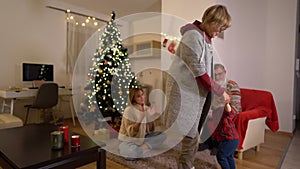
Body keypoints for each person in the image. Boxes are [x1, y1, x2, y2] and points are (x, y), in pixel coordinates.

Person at [165, 4, 232, 169]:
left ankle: (186, 163)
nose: (218, 33)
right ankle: (185, 165)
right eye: (219, 28)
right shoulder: (193, 36)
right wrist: (220, 91)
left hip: (198, 92)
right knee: (191, 133)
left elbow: (206, 69)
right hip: (185, 91)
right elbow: (198, 71)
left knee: (194, 131)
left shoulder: (206, 38)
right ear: (211, 21)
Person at [118, 87, 167, 160]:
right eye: (138, 96)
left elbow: (150, 130)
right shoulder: (129, 110)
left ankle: (142, 148)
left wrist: (151, 117)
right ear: (133, 98)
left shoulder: (145, 107)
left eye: (142, 95)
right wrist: (140, 118)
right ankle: (141, 149)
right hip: (128, 140)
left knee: (162, 135)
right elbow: (131, 133)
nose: (142, 97)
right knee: (130, 155)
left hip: (141, 138)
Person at [209, 63, 241, 169]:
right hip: (224, 132)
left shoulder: (231, 86)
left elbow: (234, 109)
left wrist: (224, 105)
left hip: (229, 132)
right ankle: (209, 144)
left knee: (222, 156)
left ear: (225, 72)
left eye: (220, 74)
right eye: (215, 75)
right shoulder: (213, 86)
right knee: (228, 155)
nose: (217, 77)